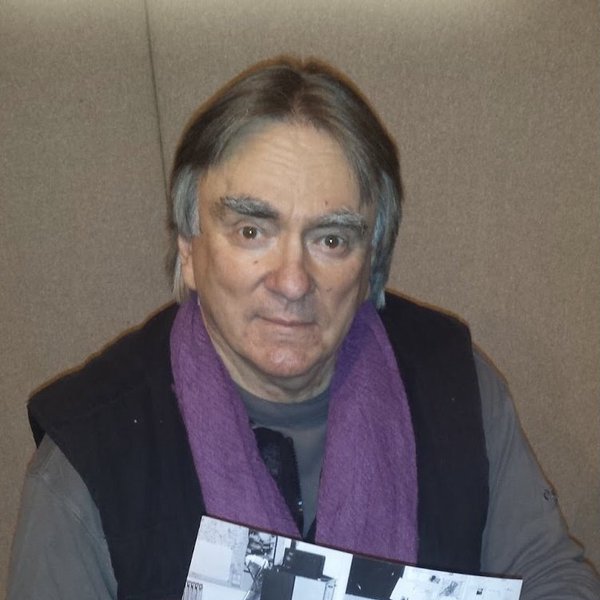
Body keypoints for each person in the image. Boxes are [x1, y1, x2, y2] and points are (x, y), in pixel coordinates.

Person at [7, 57, 600, 599]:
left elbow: (551, 577)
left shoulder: (456, 386)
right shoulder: (88, 461)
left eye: (331, 239)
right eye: (251, 231)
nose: (292, 281)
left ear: (371, 264)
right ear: (188, 249)